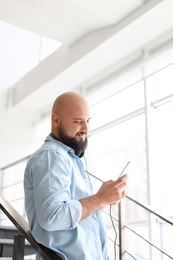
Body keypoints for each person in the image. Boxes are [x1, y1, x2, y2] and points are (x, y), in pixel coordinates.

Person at [24, 92, 128, 260]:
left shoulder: (66, 158)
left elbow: (71, 217)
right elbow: (53, 216)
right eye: (78, 121)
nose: (86, 129)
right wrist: (100, 199)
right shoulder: (52, 157)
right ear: (56, 121)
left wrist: (104, 199)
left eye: (88, 121)